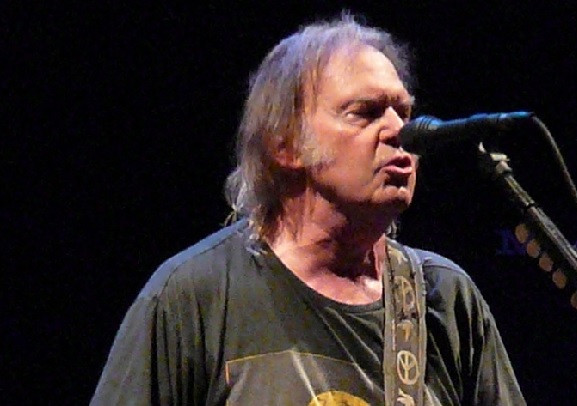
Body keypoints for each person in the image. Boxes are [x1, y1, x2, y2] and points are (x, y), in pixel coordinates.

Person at [92, 14, 525, 405]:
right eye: (365, 113)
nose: (400, 131)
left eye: (404, 112)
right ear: (286, 145)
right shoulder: (194, 296)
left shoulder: (445, 299)